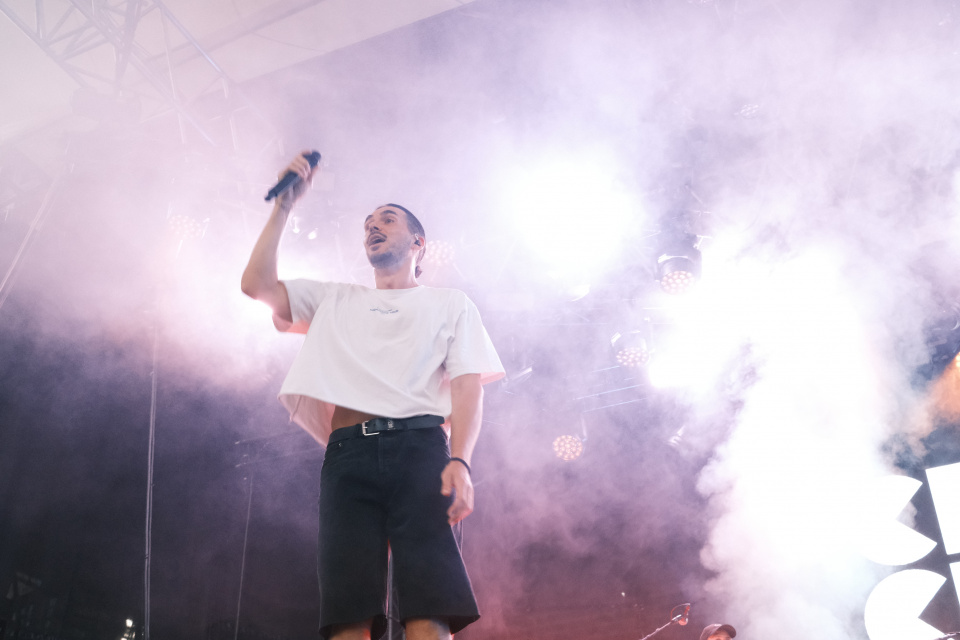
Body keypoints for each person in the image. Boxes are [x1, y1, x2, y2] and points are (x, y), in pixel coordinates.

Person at [241, 152, 504, 640]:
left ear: (418, 243)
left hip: (421, 448)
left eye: (387, 219)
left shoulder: (449, 303)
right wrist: (283, 207)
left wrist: (462, 462)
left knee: (429, 608)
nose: (373, 227)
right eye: (367, 223)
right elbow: (255, 285)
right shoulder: (335, 298)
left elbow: (468, 386)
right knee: (349, 613)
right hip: (348, 455)